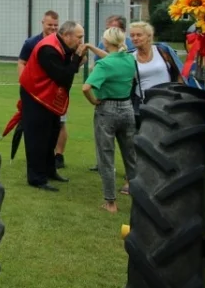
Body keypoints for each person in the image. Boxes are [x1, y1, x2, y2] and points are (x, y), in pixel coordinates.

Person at [15, 21, 87, 191]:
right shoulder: (48, 49)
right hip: (35, 96)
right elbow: (63, 77)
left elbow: (66, 70)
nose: (81, 41)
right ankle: (36, 178)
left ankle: (49, 170)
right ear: (67, 35)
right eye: (79, 37)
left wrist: (76, 60)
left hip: (48, 97)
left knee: (52, 133)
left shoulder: (61, 45)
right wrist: (76, 59)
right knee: (37, 137)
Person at [81, 26, 138, 213]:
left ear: (106, 42)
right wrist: (89, 47)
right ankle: (139, 197)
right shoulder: (129, 59)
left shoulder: (104, 65)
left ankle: (110, 202)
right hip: (127, 108)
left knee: (106, 157)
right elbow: (111, 57)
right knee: (131, 155)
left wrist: (93, 101)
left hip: (107, 110)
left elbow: (86, 87)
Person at [17, 11, 67, 168]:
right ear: (43, 23)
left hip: (57, 91)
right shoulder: (32, 42)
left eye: (55, 25)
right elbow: (21, 62)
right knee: (36, 126)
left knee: (60, 123)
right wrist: (25, 83)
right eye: (49, 24)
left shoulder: (62, 42)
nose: (52, 28)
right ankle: (37, 159)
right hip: (37, 93)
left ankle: (57, 155)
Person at [128, 20, 182, 125]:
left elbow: (180, 71)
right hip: (143, 102)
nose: (135, 38)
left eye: (139, 35)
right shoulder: (130, 57)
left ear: (149, 36)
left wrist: (178, 90)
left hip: (167, 99)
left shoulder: (162, 51)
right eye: (132, 35)